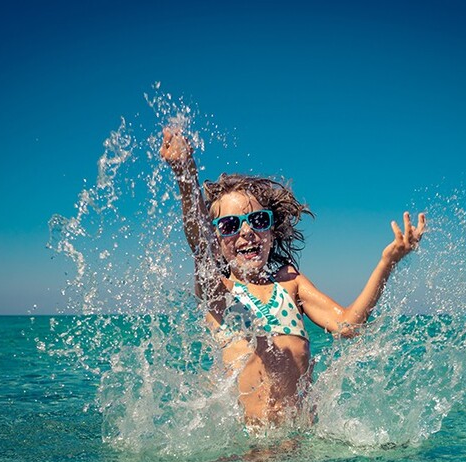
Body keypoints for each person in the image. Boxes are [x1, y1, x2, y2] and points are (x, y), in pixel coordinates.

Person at [160, 127, 426, 428]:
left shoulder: (291, 284)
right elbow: (199, 243)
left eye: (259, 221)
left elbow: (349, 324)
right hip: (251, 448)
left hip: (299, 444)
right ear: (218, 237)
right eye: (231, 225)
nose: (247, 232)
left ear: (272, 231)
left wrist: (387, 263)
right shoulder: (219, 291)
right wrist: (186, 173)